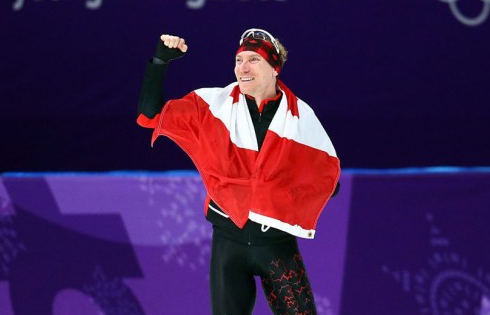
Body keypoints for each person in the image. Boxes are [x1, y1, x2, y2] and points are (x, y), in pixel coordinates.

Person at [137, 28, 340, 314]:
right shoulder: (211, 107)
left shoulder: (301, 118)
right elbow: (150, 115)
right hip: (228, 246)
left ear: (274, 68)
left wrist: (282, 193)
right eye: (239, 60)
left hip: (275, 246)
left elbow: (329, 181)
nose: (243, 67)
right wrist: (159, 63)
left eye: (253, 59)